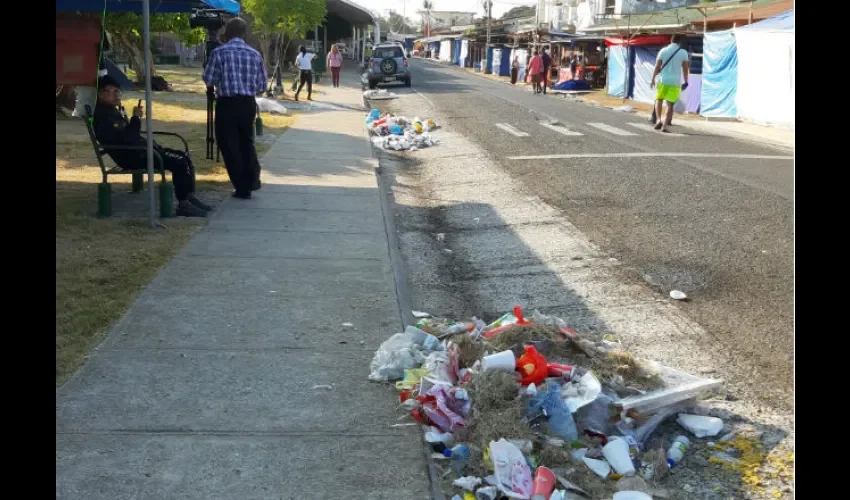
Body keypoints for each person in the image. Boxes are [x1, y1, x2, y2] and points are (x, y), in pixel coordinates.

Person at [93, 77, 210, 217]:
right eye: (112, 91)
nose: (117, 95)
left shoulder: (112, 111)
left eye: (118, 91)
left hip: (138, 151)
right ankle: (183, 205)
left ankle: (189, 197)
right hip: (132, 156)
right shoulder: (103, 116)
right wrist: (135, 118)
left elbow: (128, 136)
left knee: (183, 156)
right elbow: (129, 139)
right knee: (179, 161)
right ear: (101, 94)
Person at [203, 17, 267, 199]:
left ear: (228, 32)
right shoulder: (254, 54)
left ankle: (241, 186)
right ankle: (252, 177)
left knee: (229, 145)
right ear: (244, 33)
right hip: (247, 103)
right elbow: (262, 85)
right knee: (246, 142)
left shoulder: (219, 52)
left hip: (227, 103)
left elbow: (209, 78)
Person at [650, 34, 690, 133]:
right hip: (675, 82)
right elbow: (685, 69)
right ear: (679, 42)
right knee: (670, 105)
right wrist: (686, 81)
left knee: (659, 100)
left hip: (663, 80)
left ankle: (658, 119)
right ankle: (664, 126)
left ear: (670, 41)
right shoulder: (683, 52)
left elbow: (657, 66)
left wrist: (653, 79)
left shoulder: (663, 51)